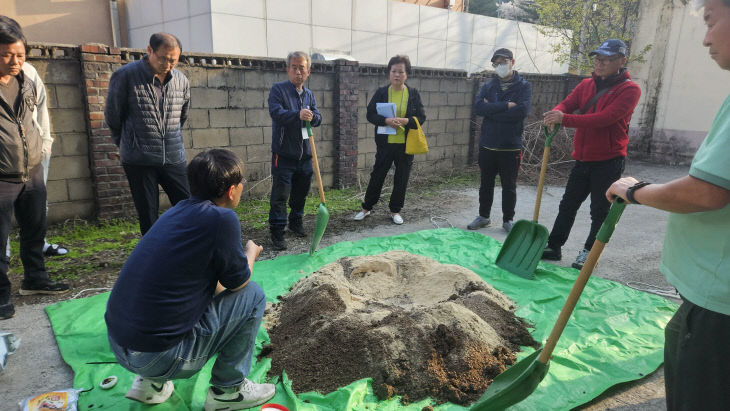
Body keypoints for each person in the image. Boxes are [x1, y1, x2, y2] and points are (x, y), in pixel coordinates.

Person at [607, 1, 730, 408]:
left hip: (719, 308)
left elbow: (706, 191)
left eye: (711, 21)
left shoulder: (627, 88)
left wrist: (636, 190)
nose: (705, 37)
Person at [105, 149, 275, 410]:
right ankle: (228, 391)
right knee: (253, 295)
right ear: (231, 190)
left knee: (181, 299)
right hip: (160, 358)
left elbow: (209, 286)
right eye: (241, 183)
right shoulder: (222, 219)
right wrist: (251, 253)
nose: (242, 188)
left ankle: (149, 385)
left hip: (120, 345)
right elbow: (238, 284)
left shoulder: (177, 212)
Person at [541, 38, 641, 269]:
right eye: (598, 59)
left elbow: (604, 119)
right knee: (567, 204)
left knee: (599, 210)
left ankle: (589, 252)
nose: (600, 64)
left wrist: (564, 119)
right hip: (582, 159)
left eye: (607, 60)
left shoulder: (629, 90)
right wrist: (556, 113)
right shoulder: (585, 85)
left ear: (621, 61)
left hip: (608, 160)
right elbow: (567, 103)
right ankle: (554, 246)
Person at [0, 19, 68, 320]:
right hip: (2, 175)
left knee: (35, 228)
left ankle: (35, 280)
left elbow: (40, 113)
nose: (15, 61)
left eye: (20, 54)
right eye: (6, 55)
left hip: (32, 167)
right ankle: (2, 296)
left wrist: (45, 148)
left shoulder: (27, 75)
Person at [105, 32, 191, 235]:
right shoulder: (125, 76)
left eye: (174, 60)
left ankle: (188, 250)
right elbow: (113, 116)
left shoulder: (181, 80)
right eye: (163, 58)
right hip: (139, 160)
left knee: (189, 207)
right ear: (149, 50)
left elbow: (182, 117)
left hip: (173, 156)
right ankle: (153, 259)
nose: (168, 64)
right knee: (148, 215)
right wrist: (127, 144)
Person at [354, 55, 426, 225]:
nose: (397, 75)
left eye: (401, 72)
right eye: (394, 71)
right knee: (377, 175)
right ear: (389, 73)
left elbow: (421, 117)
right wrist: (386, 121)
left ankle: (395, 211)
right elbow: (370, 114)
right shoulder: (381, 92)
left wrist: (405, 121)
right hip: (385, 144)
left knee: (401, 178)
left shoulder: (413, 94)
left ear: (406, 74)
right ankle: (366, 208)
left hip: (405, 144)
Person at [468, 48, 532, 233]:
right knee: (485, 183)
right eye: (496, 63)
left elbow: (521, 112)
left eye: (503, 62)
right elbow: (479, 108)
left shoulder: (523, 86)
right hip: (488, 143)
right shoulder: (488, 86)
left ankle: (508, 219)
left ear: (512, 62)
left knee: (509, 185)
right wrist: (505, 106)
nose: (500, 66)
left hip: (510, 146)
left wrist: (493, 110)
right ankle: (484, 216)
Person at [267, 51, 322, 251]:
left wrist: (312, 117)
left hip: (305, 155)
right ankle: (277, 231)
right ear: (288, 69)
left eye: (302, 68)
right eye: (294, 67)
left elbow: (318, 116)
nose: (298, 71)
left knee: (301, 193)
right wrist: (297, 114)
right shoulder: (278, 90)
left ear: (308, 71)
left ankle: (296, 222)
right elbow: (276, 113)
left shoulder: (309, 94)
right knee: (280, 195)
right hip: (284, 154)